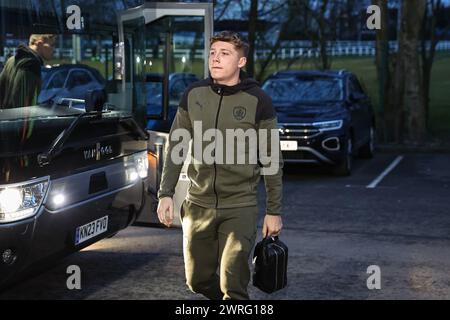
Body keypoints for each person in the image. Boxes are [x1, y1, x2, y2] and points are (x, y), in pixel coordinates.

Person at [157, 31, 283, 300]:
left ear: (241, 62)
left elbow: (272, 159)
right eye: (213, 52)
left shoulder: (258, 100)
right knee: (197, 281)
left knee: (233, 286)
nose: (215, 58)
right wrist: (165, 193)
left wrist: (274, 210)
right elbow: (176, 148)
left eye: (225, 53)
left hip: (239, 207)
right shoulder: (193, 94)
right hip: (197, 206)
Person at [0, 34, 56, 109]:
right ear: (39, 44)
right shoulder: (31, 65)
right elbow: (24, 105)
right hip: (18, 118)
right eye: (52, 45)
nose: (54, 49)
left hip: (6, 117)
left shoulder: (12, 60)